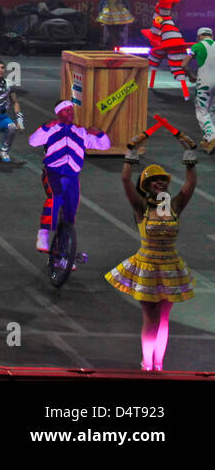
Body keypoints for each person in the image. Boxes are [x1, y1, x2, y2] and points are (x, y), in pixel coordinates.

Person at [107, 134, 197, 370]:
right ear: (146, 185)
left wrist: (189, 156)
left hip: (170, 266)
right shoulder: (141, 207)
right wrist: (132, 153)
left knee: (164, 318)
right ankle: (147, 365)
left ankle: (159, 365)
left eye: (164, 180)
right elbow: (126, 180)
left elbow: (190, 186)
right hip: (146, 266)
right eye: (155, 180)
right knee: (151, 318)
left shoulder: (175, 205)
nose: (161, 183)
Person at [28, 101, 111, 251]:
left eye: (71, 110)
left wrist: (99, 132)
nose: (70, 113)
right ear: (58, 113)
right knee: (55, 197)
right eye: (66, 110)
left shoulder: (81, 132)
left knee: (70, 215)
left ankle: (62, 253)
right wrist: (46, 126)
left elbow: (104, 145)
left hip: (72, 176)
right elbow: (33, 141)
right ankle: (44, 233)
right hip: (53, 173)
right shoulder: (51, 129)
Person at [185, 27, 215, 152]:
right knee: (212, 111)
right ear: (212, 36)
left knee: (202, 112)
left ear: (199, 36)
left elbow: (184, 64)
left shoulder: (197, 46)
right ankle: (208, 139)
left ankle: (212, 137)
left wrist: (191, 75)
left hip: (205, 83)